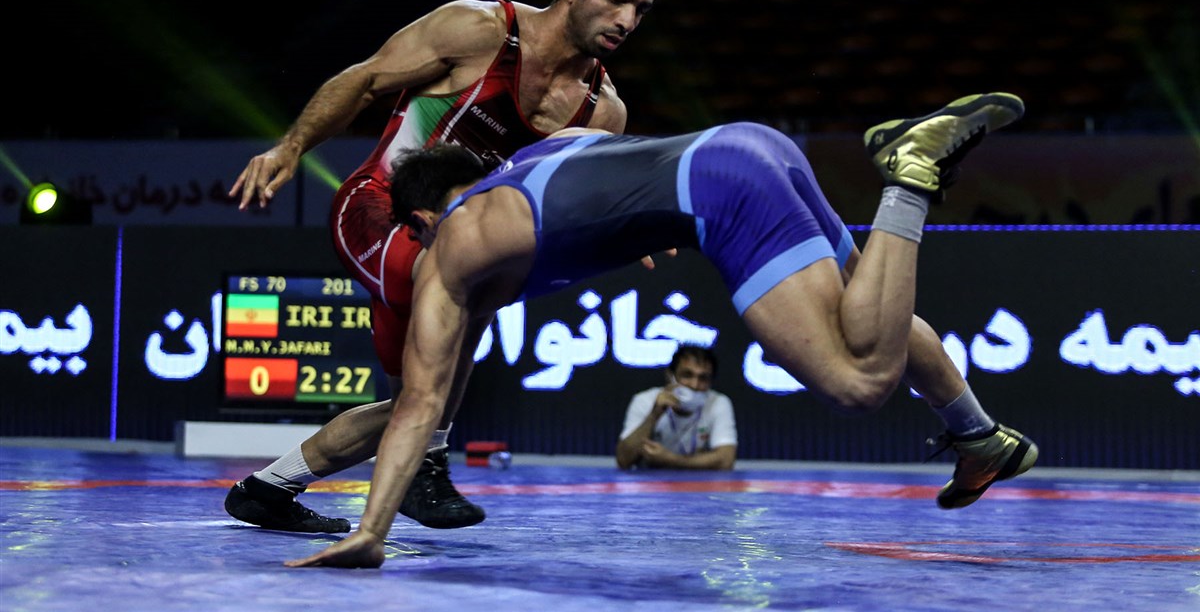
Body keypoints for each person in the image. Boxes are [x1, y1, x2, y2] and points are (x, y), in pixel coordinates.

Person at [285, 91, 1041, 569]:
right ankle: (976, 434)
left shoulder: (448, 247)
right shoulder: (537, 156)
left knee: (857, 382)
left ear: (421, 219)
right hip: (757, 143)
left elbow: (420, 405)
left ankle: (909, 177)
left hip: (725, 191)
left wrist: (371, 532)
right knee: (863, 310)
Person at [223, 0, 664, 533]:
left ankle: (267, 489)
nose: (628, 20)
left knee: (413, 401)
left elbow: (566, 203)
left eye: (641, 8)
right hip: (378, 210)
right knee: (471, 292)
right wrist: (291, 146)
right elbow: (365, 79)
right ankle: (426, 466)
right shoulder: (478, 30)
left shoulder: (602, 111)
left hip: (451, 248)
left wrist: (628, 228)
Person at [616, 345, 738, 470]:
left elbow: (726, 461)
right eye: (687, 375)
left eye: (703, 378)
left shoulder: (718, 403)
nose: (694, 385)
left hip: (699, 481)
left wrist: (670, 459)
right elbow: (623, 460)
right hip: (651, 480)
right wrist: (654, 415)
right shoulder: (645, 401)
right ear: (671, 376)